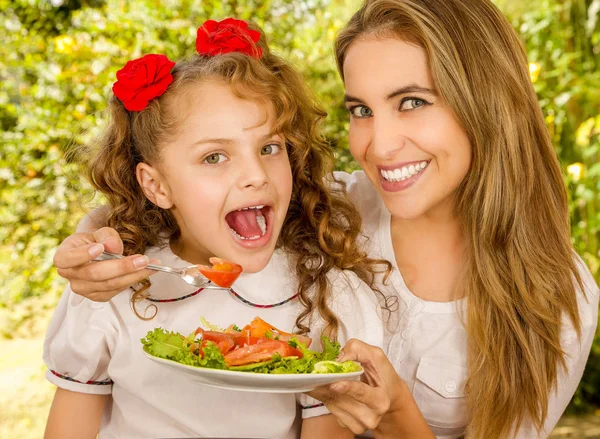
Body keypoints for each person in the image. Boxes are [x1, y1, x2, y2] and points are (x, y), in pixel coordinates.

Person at [43, 18, 399, 439]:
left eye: (269, 148)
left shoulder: (321, 294)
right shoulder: (110, 290)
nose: (256, 175)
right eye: (214, 157)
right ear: (155, 185)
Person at [305, 0, 599, 438]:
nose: (380, 147)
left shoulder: (558, 300)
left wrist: (397, 413)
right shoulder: (328, 211)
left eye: (411, 102)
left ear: (486, 102)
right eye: (361, 111)